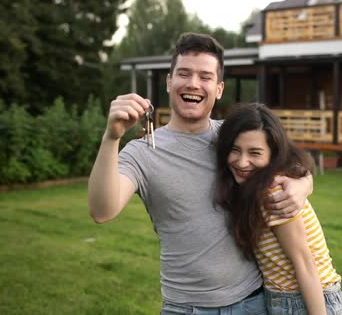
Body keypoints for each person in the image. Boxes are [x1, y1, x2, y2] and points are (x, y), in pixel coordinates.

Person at [87, 32, 313, 313]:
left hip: (253, 301)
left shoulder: (234, 140)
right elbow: (101, 210)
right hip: (187, 307)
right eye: (184, 73)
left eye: (205, 76)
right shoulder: (142, 152)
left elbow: (293, 164)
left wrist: (304, 184)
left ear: (219, 89)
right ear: (170, 82)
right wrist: (111, 137)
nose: (193, 83)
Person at [216, 103, 342, 315]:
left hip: (305, 302)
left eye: (255, 153)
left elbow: (305, 263)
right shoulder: (254, 189)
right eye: (235, 150)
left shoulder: (273, 193)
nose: (242, 162)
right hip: (288, 299)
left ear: (273, 154)